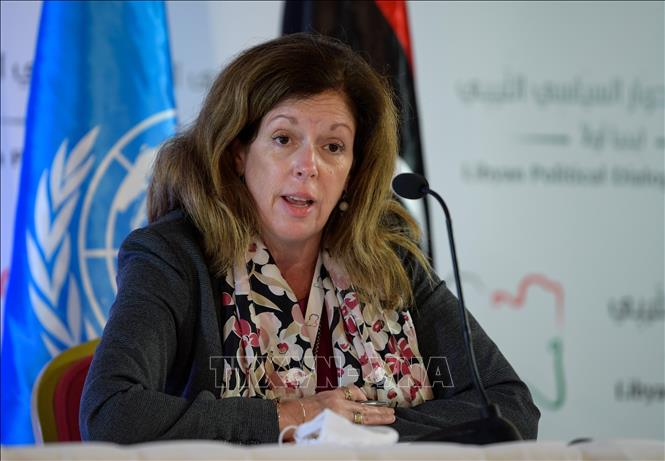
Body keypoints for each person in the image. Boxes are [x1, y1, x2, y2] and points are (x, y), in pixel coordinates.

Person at [80, 33, 539, 444]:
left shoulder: (387, 256)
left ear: (354, 169)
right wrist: (294, 417)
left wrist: (349, 432)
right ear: (238, 153)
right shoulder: (174, 255)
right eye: (283, 139)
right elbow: (112, 413)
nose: (308, 166)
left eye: (333, 146)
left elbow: (510, 405)